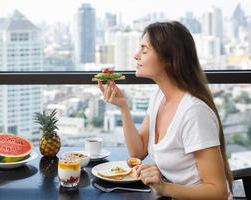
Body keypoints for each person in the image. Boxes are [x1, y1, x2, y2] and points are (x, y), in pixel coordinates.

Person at [98, 21, 233, 199]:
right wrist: (123, 106)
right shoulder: (159, 96)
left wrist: (165, 188)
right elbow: (137, 152)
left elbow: (218, 191)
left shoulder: (194, 113)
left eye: (144, 50)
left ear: (169, 60)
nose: (136, 55)